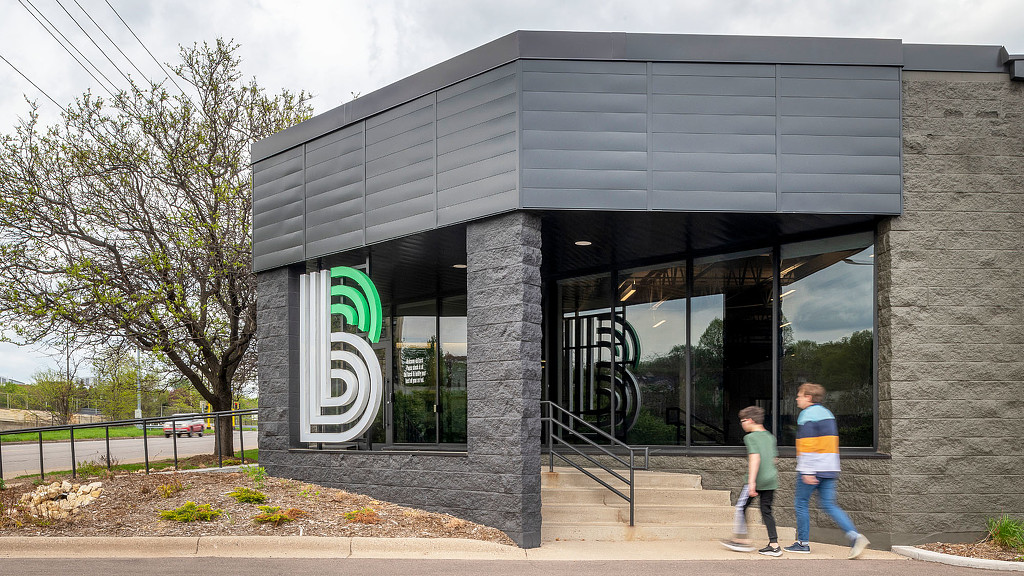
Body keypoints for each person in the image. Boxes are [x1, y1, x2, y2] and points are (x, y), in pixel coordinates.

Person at [784, 382, 870, 559]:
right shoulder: (827, 414)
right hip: (830, 467)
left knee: (801, 503)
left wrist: (807, 471)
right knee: (829, 505)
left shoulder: (807, 415)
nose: (797, 398)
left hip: (812, 467)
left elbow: (807, 444)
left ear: (808, 397)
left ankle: (802, 543)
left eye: (799, 395)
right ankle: (855, 536)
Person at [720, 405, 781, 556]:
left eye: (743, 420)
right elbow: (774, 459)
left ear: (751, 420)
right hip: (770, 481)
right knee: (766, 511)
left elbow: (755, 458)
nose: (742, 424)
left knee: (741, 507)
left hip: (756, 480)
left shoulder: (750, 437)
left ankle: (741, 541)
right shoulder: (770, 436)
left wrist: (752, 482)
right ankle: (774, 545)